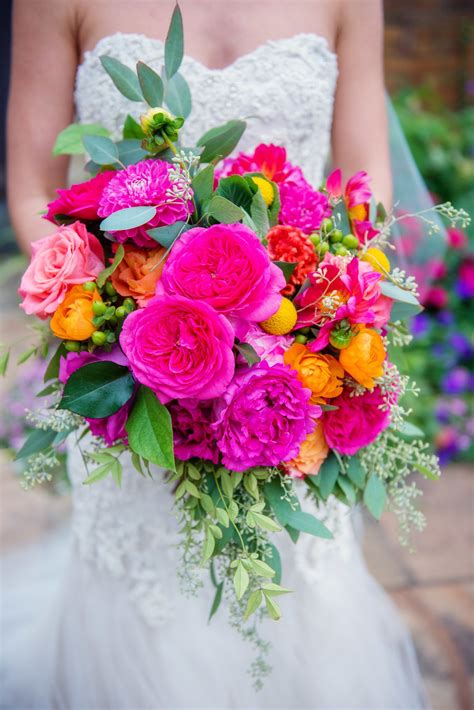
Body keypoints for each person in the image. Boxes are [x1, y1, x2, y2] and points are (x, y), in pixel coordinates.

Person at [3, 1, 427, 707]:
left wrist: (308, 313)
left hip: (288, 381)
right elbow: (32, 190)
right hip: (133, 373)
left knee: (291, 584)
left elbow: (366, 181)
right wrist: (127, 324)